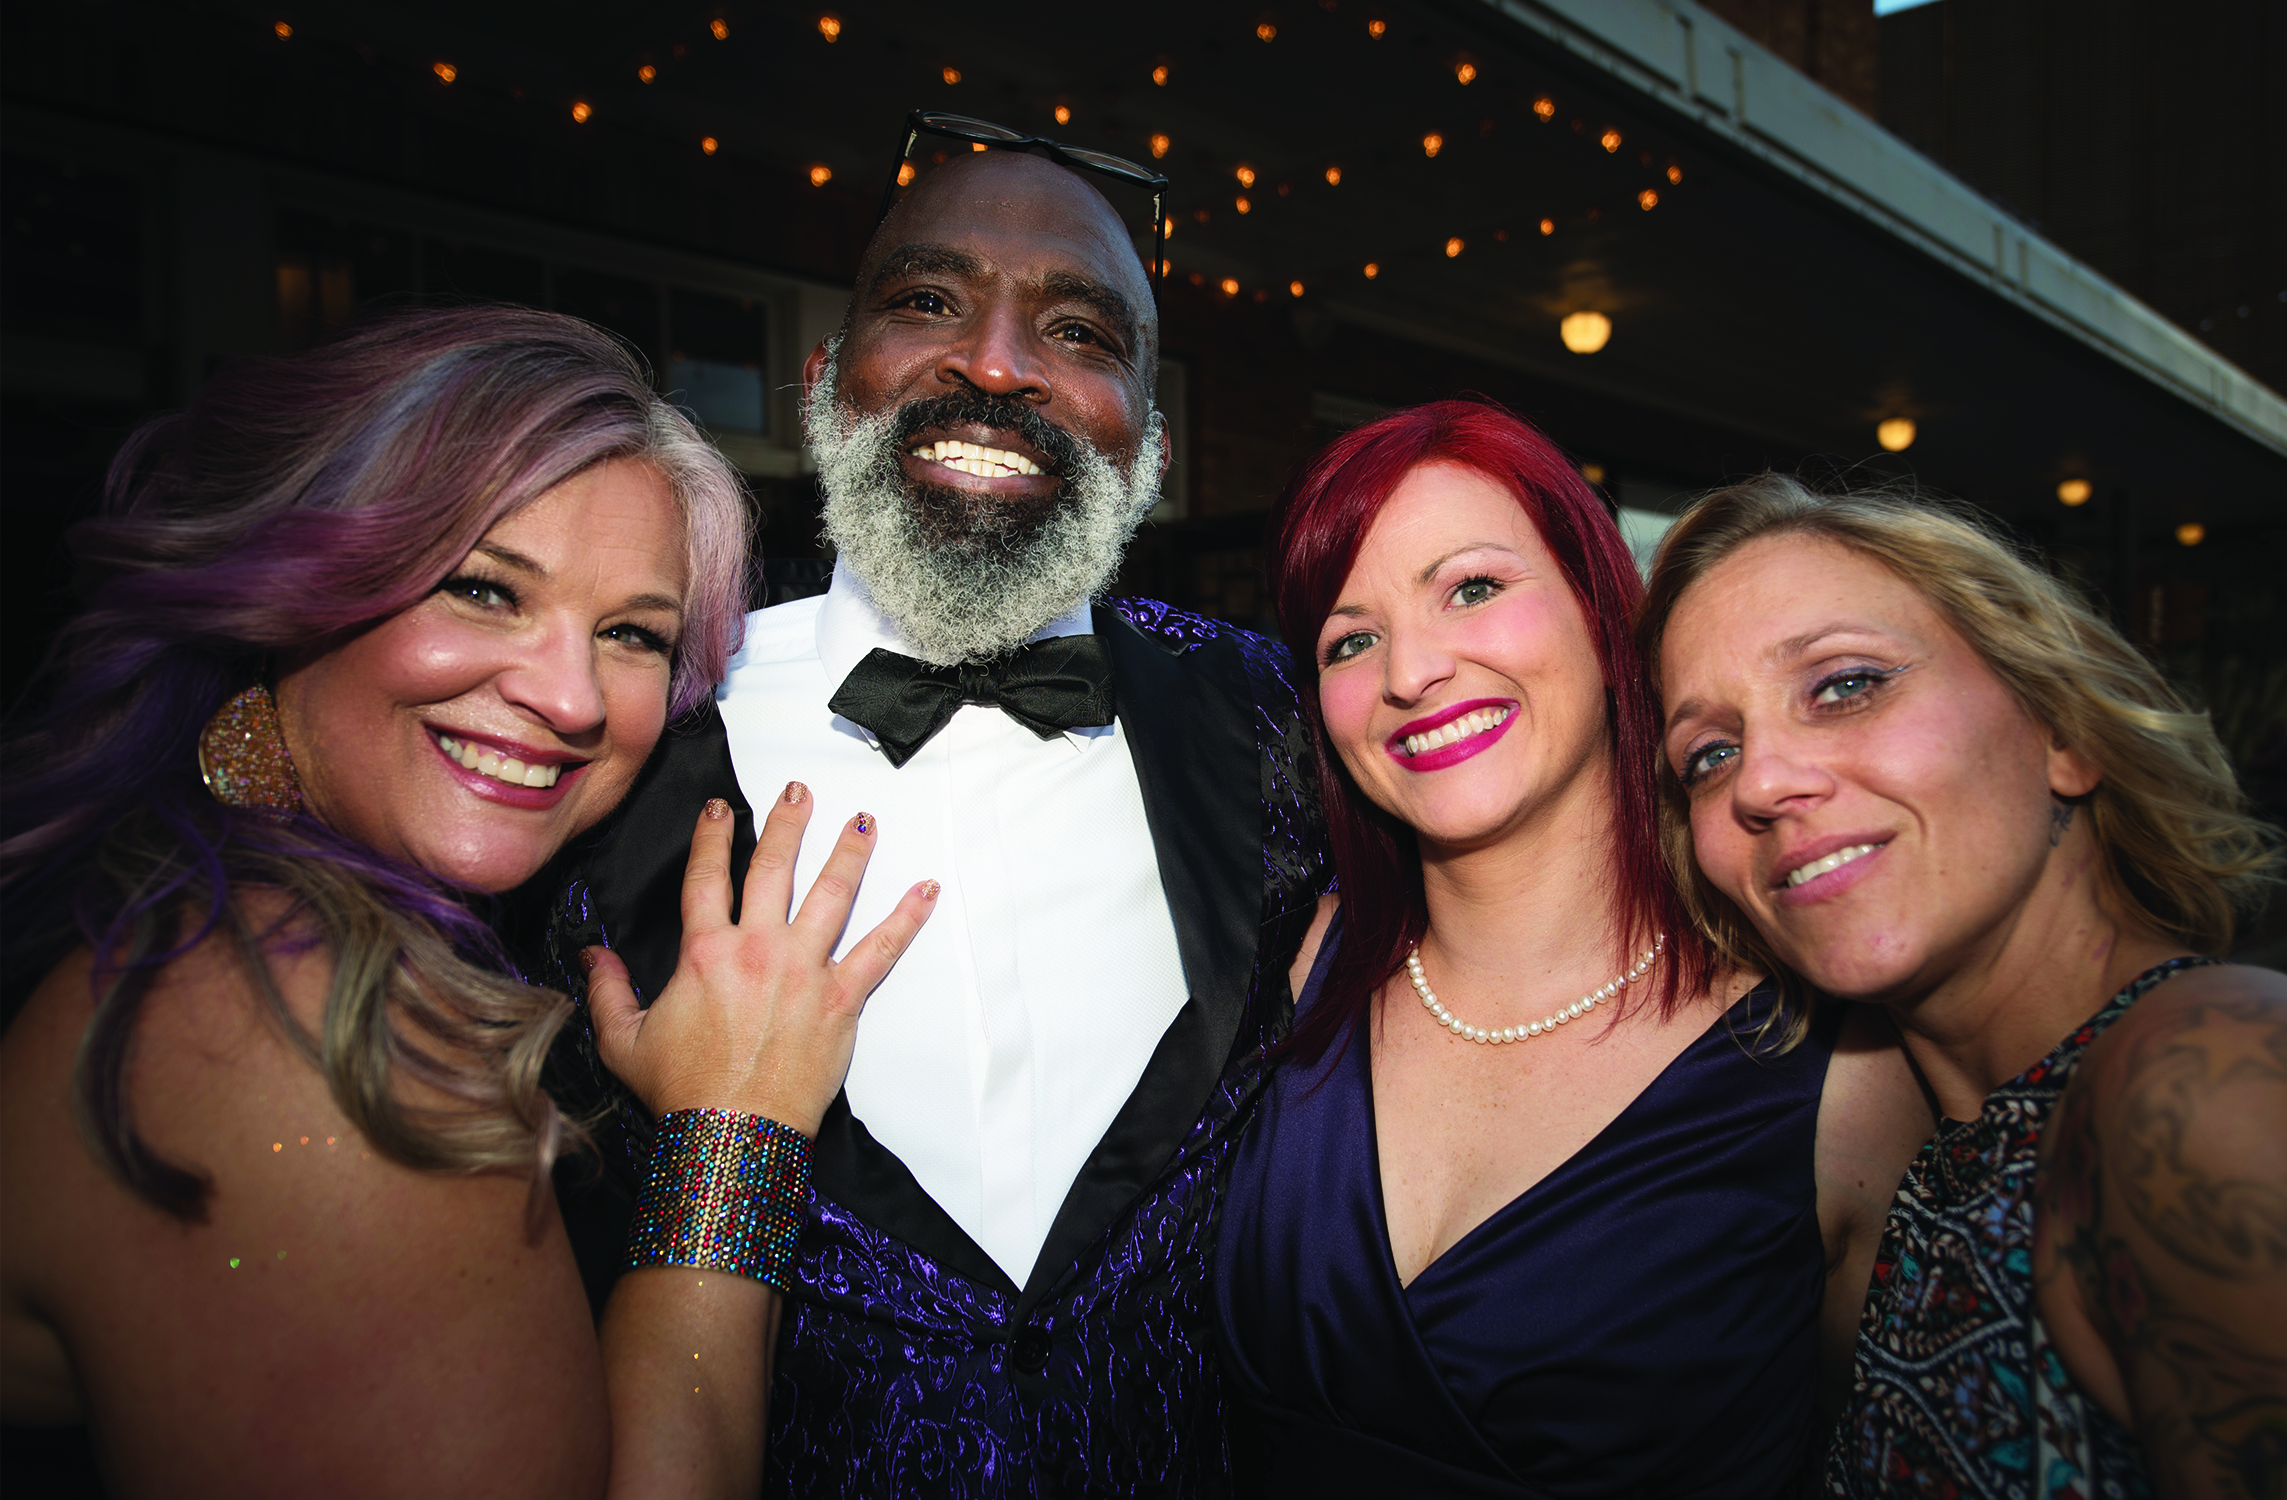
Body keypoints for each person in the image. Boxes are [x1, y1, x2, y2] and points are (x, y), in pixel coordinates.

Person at [0, 305, 939, 1497]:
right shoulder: (284, 1029)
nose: (572, 698)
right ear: (295, 586)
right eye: (485, 591)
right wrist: (733, 1131)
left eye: (631, 633)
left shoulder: (193, 911)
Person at [535, 145, 1327, 1495]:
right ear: (823, 379)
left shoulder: (1278, 719)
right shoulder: (637, 716)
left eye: (1079, 332)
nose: (998, 364)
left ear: (1152, 439)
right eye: (927, 302)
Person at [1210, 401, 1934, 1497]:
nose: (1411, 671)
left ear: (1603, 615)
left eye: (1472, 588)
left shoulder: (1840, 1071)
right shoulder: (1295, 968)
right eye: (1350, 640)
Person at [1639, 474, 2287, 1499]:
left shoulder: (2218, 1095)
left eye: (1847, 685)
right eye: (1711, 754)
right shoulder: (1927, 1139)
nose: (1762, 782)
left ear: (2062, 731)